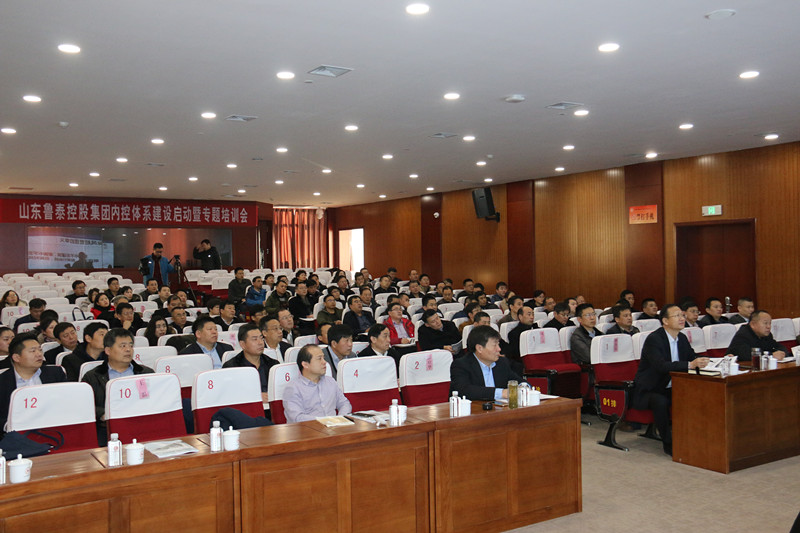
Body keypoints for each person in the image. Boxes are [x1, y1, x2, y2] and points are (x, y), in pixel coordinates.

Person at [633, 304, 709, 455]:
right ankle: (668, 443)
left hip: (672, 386)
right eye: (677, 316)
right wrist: (690, 364)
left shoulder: (682, 338)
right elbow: (660, 366)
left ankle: (693, 436)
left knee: (696, 396)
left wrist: (709, 361)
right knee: (660, 401)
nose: (682, 319)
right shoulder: (654, 339)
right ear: (665, 321)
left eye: (682, 315)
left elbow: (692, 357)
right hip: (650, 389)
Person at [82, 328, 155, 445]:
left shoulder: (146, 373)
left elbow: (155, 400)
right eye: (122, 346)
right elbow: (85, 406)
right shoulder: (93, 377)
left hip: (142, 425)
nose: (128, 349)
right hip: (107, 430)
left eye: (131, 345)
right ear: (108, 350)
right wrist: (103, 414)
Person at [0, 335, 67, 432]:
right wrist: (9, 426)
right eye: (33, 351)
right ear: (17, 357)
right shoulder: (3, 381)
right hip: (15, 433)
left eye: (40, 350)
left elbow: (65, 403)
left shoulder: (56, 374)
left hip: (53, 428)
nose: (39, 354)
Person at [449, 325, 522, 401]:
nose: (499, 349)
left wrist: (524, 387)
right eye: (494, 345)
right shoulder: (461, 365)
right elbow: (464, 390)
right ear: (479, 348)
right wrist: (501, 393)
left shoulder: (501, 362)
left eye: (498, 344)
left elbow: (519, 381)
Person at [283, 344, 352, 423]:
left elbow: (344, 403)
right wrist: (326, 421)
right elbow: (297, 417)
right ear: (305, 364)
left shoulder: (331, 382)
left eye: (323, 358)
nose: (324, 362)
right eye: (319, 359)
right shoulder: (293, 388)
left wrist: (340, 419)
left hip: (334, 427)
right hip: (308, 428)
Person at [222, 323, 277, 402]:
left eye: (261, 338)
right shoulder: (231, 367)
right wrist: (255, 396)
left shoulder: (273, 364)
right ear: (242, 344)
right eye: (255, 339)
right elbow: (229, 395)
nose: (260, 342)